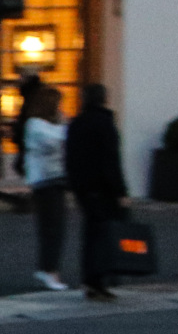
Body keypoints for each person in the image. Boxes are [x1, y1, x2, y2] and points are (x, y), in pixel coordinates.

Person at [65, 81, 128, 302]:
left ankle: (90, 281)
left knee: (90, 234)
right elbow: (111, 161)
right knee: (104, 235)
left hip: (84, 189)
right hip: (103, 189)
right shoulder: (105, 123)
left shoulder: (76, 124)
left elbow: (70, 158)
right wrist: (121, 191)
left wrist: (75, 185)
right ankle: (100, 281)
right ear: (104, 99)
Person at [21, 85, 70, 291]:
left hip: (56, 180)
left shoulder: (48, 124)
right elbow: (53, 142)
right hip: (44, 182)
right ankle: (50, 271)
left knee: (53, 228)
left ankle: (47, 268)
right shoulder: (35, 125)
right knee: (53, 229)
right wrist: (64, 126)